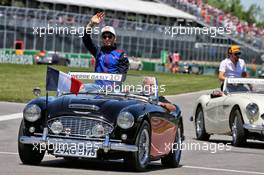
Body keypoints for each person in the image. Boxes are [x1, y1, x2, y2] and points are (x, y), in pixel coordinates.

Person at [82, 12, 129, 85]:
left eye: (110, 36)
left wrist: (110, 89)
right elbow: (86, 39)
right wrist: (91, 24)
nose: (107, 38)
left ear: (115, 38)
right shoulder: (98, 51)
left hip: (113, 93)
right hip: (97, 91)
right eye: (104, 36)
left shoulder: (121, 54)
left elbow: (122, 77)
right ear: (102, 39)